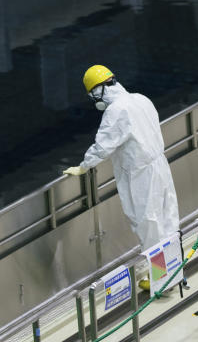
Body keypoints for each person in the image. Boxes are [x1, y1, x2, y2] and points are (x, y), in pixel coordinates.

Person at [64, 65, 180, 252]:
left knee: (149, 225)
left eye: (93, 94)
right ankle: (175, 269)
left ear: (99, 89)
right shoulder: (141, 99)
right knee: (169, 218)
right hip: (160, 165)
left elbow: (103, 146)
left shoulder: (116, 111)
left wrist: (84, 166)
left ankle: (160, 278)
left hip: (141, 175)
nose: (95, 99)